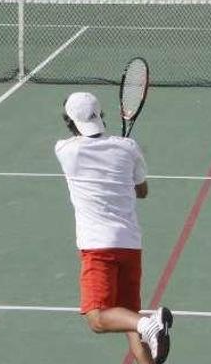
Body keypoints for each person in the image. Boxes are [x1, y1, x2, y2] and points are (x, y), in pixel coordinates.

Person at [54, 92, 172, 364]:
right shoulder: (128, 147)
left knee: (97, 319)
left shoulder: (65, 150)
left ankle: (149, 324)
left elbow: (82, 142)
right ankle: (146, 326)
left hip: (98, 247)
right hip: (130, 245)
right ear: (101, 115)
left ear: (69, 122)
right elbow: (142, 191)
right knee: (129, 320)